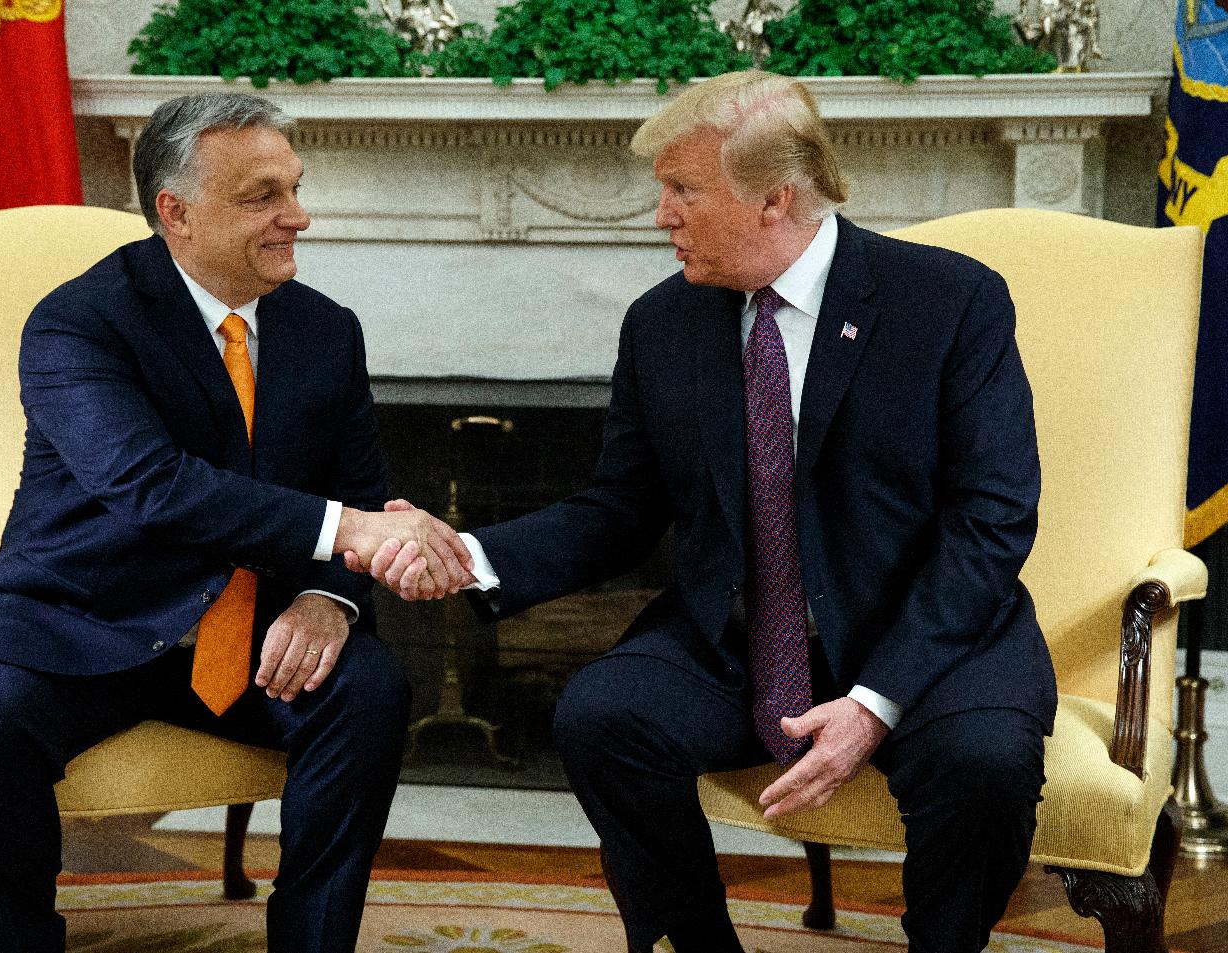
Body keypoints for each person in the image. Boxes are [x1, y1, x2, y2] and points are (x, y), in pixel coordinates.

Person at [351, 70, 1057, 953]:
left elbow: (989, 521)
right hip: (741, 642)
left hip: (926, 638)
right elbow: (618, 508)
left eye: (681, 190)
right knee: (603, 717)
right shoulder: (663, 324)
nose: (661, 216)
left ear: (776, 198)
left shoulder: (950, 302)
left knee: (983, 765)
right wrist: (469, 553)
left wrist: (875, 700)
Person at [0, 92, 472, 953]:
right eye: (263, 196)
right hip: (77, 616)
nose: (298, 215)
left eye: (293, 187)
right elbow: (153, 486)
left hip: (251, 631)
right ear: (174, 213)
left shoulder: (327, 331)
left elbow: (359, 490)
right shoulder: (80, 322)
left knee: (368, 692)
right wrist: (351, 534)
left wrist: (331, 598)